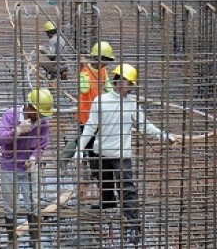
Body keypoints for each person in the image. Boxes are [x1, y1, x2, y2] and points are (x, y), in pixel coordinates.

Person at [75, 63, 180, 245]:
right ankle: (108, 203)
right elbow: (90, 127)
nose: (131, 87)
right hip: (100, 152)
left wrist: (165, 136)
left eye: (132, 84)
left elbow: (146, 126)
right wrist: (79, 150)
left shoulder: (132, 104)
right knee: (103, 179)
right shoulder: (101, 101)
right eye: (128, 83)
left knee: (127, 189)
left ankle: (134, 225)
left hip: (121, 154)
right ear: (118, 81)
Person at [0, 88, 54, 244]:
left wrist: (34, 158)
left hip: (28, 168)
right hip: (9, 166)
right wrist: (18, 130)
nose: (40, 117)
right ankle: (11, 240)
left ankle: (35, 240)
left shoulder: (43, 122)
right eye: (39, 113)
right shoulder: (10, 115)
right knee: (10, 205)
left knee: (33, 203)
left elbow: (42, 144)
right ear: (31, 107)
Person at [58, 41, 115, 172]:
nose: (106, 63)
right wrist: (83, 75)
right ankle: (65, 158)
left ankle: (93, 170)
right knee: (86, 139)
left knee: (90, 140)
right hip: (85, 112)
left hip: (97, 111)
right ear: (97, 58)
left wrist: (116, 96)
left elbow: (108, 85)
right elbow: (84, 89)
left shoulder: (103, 70)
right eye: (105, 59)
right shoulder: (85, 71)